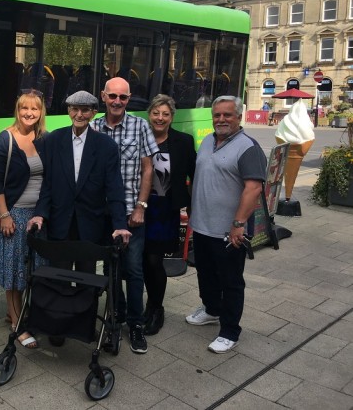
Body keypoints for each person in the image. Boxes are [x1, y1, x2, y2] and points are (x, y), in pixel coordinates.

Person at [28, 90, 132, 344]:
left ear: (94, 112)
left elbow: (114, 188)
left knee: (88, 281)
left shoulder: (106, 146)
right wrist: (40, 214)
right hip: (60, 222)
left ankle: (84, 326)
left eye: (85, 110)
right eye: (74, 108)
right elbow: (48, 185)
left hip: (91, 224)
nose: (79, 114)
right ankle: (58, 325)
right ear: (68, 111)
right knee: (58, 277)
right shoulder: (54, 141)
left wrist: (120, 225)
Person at [186, 95, 266, 353]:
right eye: (217, 115)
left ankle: (230, 331)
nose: (221, 119)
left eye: (227, 115)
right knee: (205, 272)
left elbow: (253, 189)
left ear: (239, 117)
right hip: (202, 225)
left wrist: (238, 224)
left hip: (229, 231)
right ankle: (211, 310)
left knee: (231, 280)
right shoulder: (209, 140)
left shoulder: (248, 148)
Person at [91, 77, 159, 354]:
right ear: (103, 96)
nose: (117, 101)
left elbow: (148, 169)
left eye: (123, 97)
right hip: (101, 213)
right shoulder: (93, 126)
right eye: (113, 96)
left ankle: (135, 325)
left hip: (131, 213)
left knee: (133, 270)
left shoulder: (140, 126)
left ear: (129, 99)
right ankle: (114, 318)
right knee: (109, 270)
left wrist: (141, 207)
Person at [0, 89, 47, 349]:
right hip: (14, 214)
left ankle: (14, 313)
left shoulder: (44, 138)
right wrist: (4, 215)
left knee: (28, 271)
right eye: (25, 108)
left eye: (34, 109)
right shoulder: (6, 139)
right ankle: (16, 323)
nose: (29, 113)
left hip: (36, 216)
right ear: (18, 109)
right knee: (14, 273)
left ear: (40, 112)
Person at [143, 94, 196, 335]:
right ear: (149, 115)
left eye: (165, 114)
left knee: (154, 261)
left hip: (164, 210)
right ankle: (142, 306)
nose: (160, 118)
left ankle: (156, 308)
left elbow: (194, 174)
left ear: (172, 117)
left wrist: (193, 207)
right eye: (156, 113)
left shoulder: (183, 142)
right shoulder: (140, 138)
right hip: (139, 207)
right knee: (139, 260)